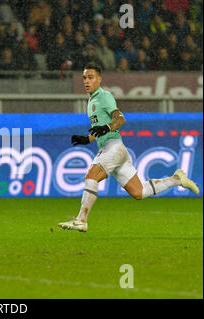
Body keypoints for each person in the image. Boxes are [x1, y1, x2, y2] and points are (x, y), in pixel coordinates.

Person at [58, 63, 200, 232]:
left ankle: (81, 220)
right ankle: (176, 179)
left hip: (113, 147)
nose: (86, 81)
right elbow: (101, 128)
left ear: (99, 79)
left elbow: (120, 119)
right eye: (84, 78)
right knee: (138, 192)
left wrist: (106, 128)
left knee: (91, 177)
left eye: (90, 77)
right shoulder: (91, 101)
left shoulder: (104, 96)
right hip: (117, 150)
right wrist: (87, 139)